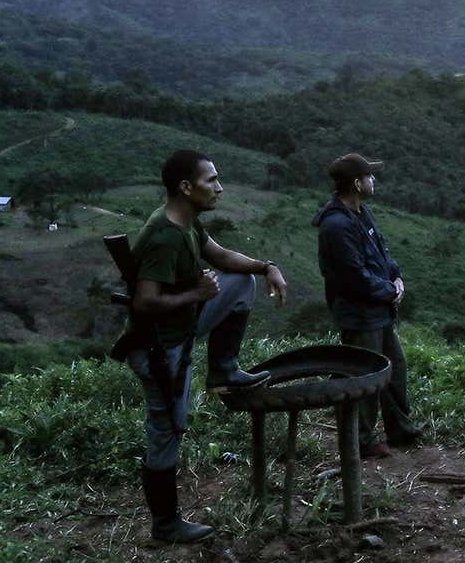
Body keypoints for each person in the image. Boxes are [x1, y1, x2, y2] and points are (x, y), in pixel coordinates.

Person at [126, 149, 287, 543]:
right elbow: (144, 302)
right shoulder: (166, 236)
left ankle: (223, 369)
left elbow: (221, 257)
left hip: (180, 331)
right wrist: (196, 294)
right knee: (167, 430)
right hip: (159, 349)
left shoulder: (189, 224)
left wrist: (265, 266)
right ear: (186, 187)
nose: (219, 187)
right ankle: (166, 524)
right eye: (211, 180)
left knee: (241, 282)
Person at [312, 153, 420, 458]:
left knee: (394, 368)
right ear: (357, 183)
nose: (374, 180)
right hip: (360, 313)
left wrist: (395, 277)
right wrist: (389, 291)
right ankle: (361, 441)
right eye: (369, 176)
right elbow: (353, 277)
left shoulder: (360, 213)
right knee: (365, 376)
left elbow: (381, 254)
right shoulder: (336, 225)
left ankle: (401, 429)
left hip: (377, 309)